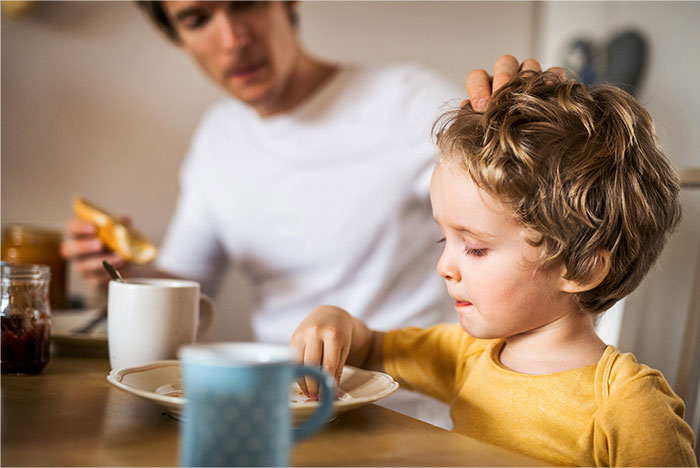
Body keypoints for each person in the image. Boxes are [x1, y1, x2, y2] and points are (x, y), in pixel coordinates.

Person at [60, 0, 540, 427]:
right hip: (278, 415)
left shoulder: (406, 103)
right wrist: (125, 273)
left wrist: (538, 125)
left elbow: (528, 212)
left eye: (245, 4)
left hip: (405, 417)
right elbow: (190, 292)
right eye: (197, 18)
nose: (233, 41)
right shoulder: (219, 138)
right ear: (178, 36)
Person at [290, 70, 698, 466]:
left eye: (476, 248)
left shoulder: (629, 405)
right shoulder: (470, 353)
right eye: (443, 239)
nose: (444, 267)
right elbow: (372, 348)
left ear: (582, 267)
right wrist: (334, 321)